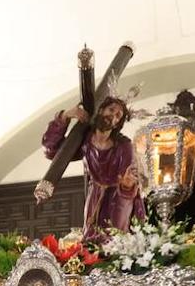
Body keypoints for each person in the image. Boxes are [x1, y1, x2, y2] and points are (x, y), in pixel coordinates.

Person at [42, 95, 145, 237]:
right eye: (111, 110)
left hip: (119, 198)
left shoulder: (123, 146)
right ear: (101, 110)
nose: (112, 116)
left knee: (115, 239)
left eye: (118, 116)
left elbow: (128, 181)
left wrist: (127, 185)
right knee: (90, 239)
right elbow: (51, 151)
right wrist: (65, 116)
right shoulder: (85, 141)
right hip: (95, 196)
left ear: (117, 124)